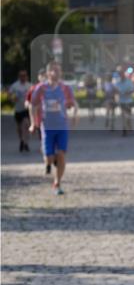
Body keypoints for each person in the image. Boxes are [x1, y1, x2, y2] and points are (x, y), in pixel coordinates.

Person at [29, 61, 78, 195]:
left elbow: (73, 103)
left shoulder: (66, 88)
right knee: (49, 159)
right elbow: (32, 105)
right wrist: (33, 123)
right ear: (48, 73)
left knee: (62, 154)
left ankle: (57, 183)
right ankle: (49, 157)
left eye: (58, 70)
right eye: (53, 70)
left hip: (62, 126)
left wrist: (74, 115)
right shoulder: (41, 88)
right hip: (47, 127)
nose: (56, 73)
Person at [8, 70, 32, 153]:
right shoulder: (15, 85)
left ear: (27, 76)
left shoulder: (29, 85)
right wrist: (12, 99)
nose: (23, 77)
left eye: (25, 75)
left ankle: (26, 142)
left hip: (26, 109)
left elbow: (34, 95)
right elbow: (9, 94)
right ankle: (21, 140)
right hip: (18, 109)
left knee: (26, 124)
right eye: (21, 76)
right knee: (19, 128)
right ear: (19, 77)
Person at [115, 67, 134, 136]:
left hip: (129, 101)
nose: (121, 75)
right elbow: (115, 91)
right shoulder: (117, 83)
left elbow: (133, 90)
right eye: (119, 74)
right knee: (123, 115)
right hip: (121, 101)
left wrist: (128, 93)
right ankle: (124, 129)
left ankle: (129, 126)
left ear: (124, 74)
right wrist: (117, 94)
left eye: (122, 73)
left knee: (128, 116)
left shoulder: (129, 81)